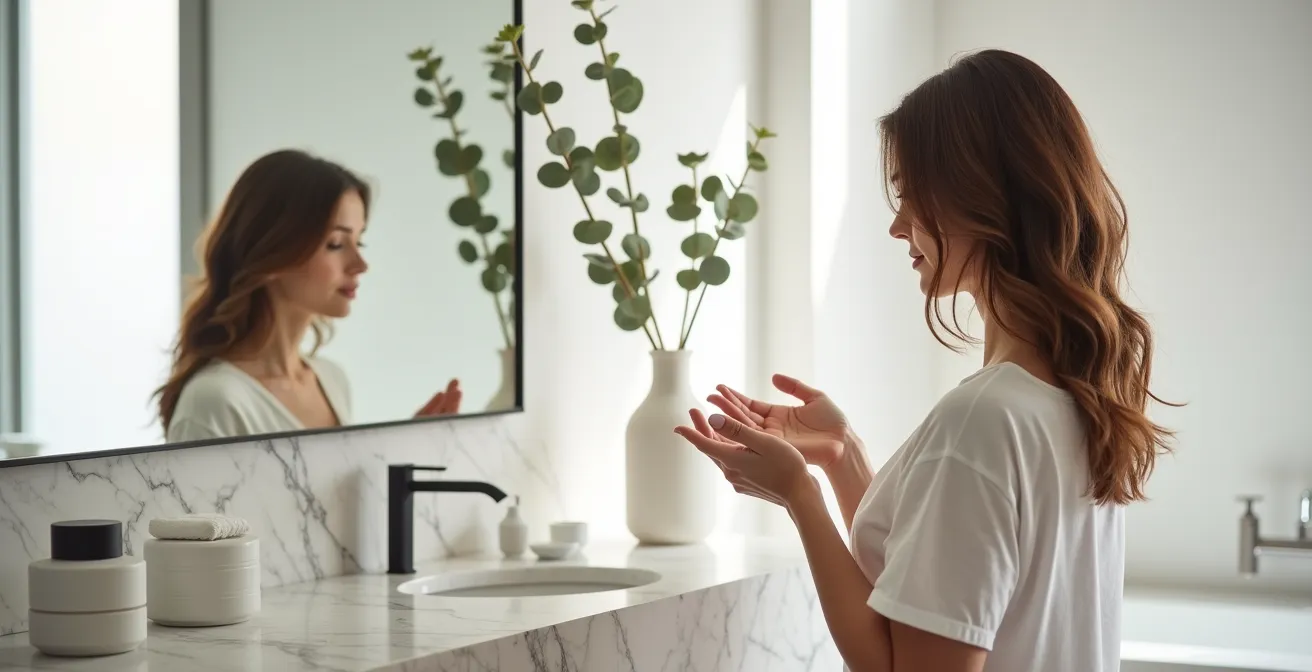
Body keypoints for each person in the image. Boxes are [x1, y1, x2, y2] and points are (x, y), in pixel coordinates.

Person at [674, 49, 1177, 672]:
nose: (897, 226)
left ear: (981, 198)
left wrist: (798, 496)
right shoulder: (1072, 398)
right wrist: (842, 456)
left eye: (911, 195)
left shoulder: (983, 419)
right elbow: (931, 590)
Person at [155, 149, 462, 443]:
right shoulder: (214, 403)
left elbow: (328, 496)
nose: (360, 264)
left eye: (360, 242)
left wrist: (402, 453)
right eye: (336, 243)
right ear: (273, 252)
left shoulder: (330, 380)